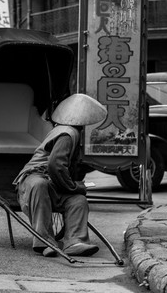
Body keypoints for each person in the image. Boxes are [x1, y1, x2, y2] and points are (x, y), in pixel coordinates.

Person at [13, 94, 107, 258]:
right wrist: (73, 186)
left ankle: (75, 241)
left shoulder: (67, 131)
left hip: (51, 183)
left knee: (78, 200)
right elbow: (55, 165)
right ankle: (45, 241)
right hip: (33, 180)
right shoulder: (67, 134)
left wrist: (74, 190)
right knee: (40, 185)